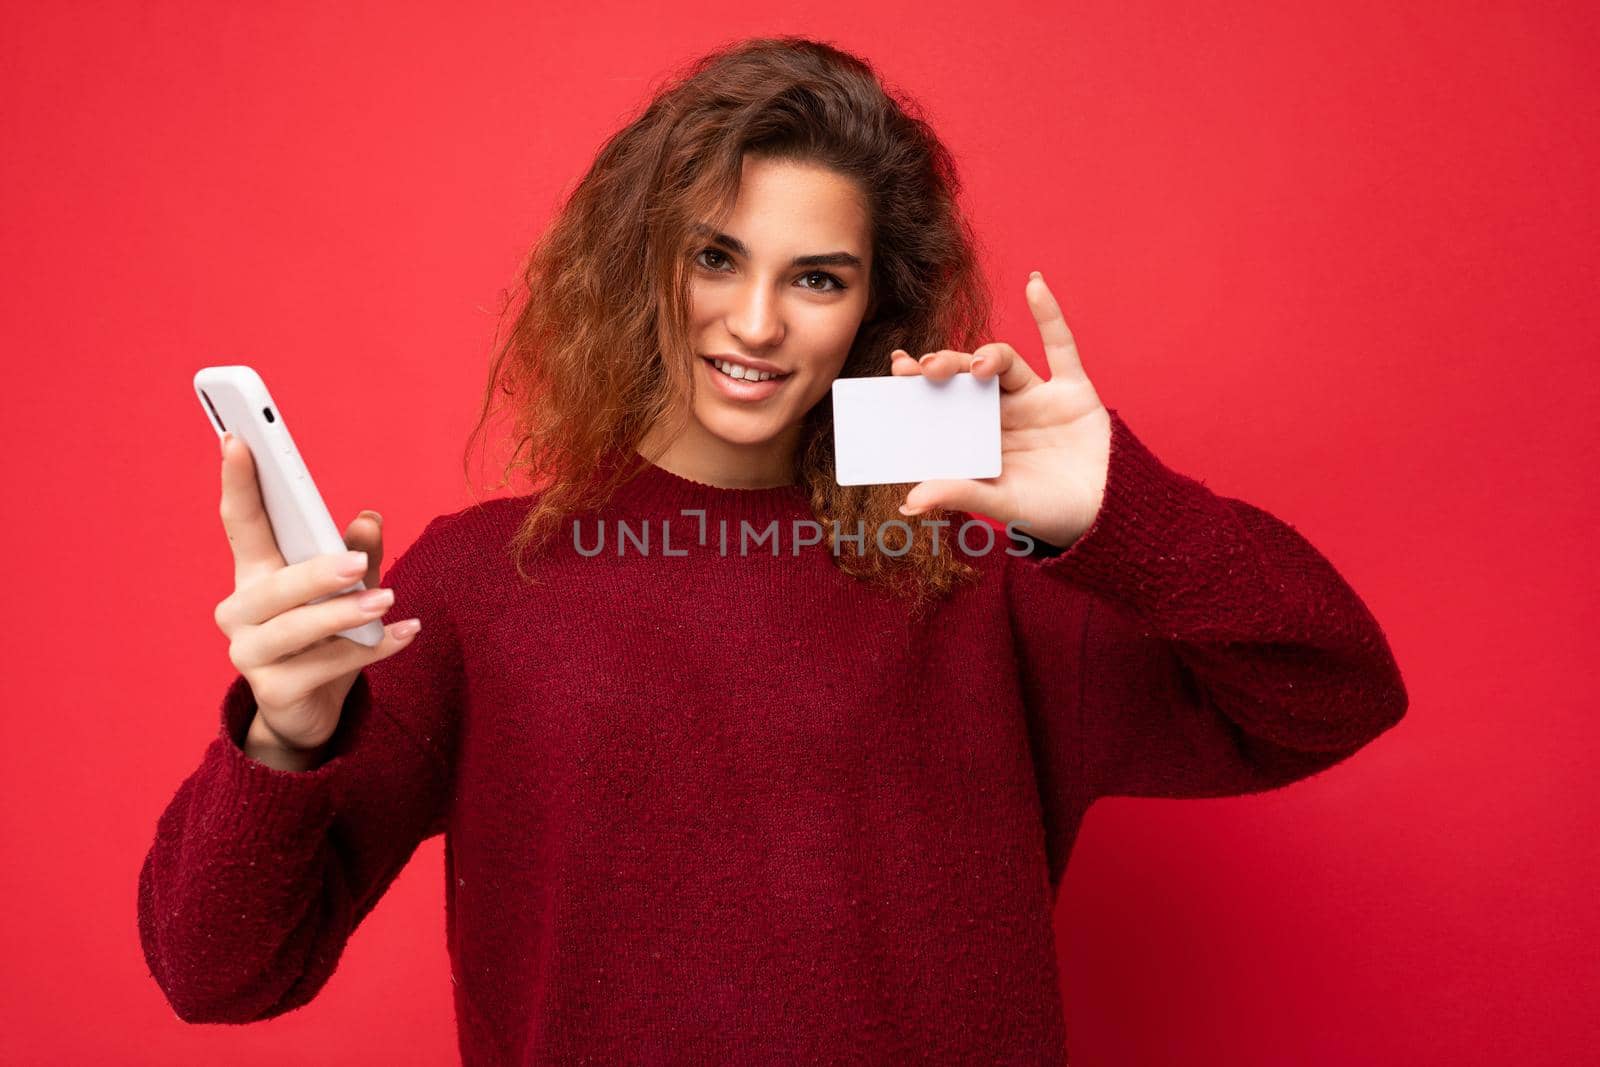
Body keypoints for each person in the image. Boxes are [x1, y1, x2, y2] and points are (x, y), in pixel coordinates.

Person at [137, 35, 1408, 1065]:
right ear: (640, 264)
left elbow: (1334, 689)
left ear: (872, 305)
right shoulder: (483, 584)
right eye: (714, 256)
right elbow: (219, 971)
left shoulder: (972, 561)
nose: (753, 321)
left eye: (815, 277)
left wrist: (1118, 505)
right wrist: (281, 739)